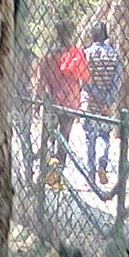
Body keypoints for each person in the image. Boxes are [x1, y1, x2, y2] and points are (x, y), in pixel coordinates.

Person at [37, 21, 87, 163]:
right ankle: (59, 169)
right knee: (64, 137)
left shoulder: (49, 55)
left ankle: (48, 164)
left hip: (53, 101)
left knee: (49, 135)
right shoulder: (76, 54)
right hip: (71, 100)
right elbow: (83, 77)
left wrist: (37, 101)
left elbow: (41, 80)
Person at [82, 22, 122, 184]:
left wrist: (95, 96)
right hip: (107, 104)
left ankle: (90, 172)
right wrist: (107, 100)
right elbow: (117, 80)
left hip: (90, 102)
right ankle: (102, 163)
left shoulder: (86, 54)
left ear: (92, 35)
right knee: (104, 135)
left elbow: (85, 80)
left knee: (89, 136)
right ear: (105, 36)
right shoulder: (115, 55)